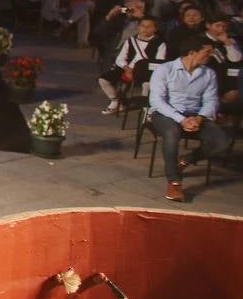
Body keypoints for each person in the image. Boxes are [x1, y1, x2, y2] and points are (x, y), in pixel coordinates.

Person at [149, 36, 229, 203]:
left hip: (195, 114)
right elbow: (157, 101)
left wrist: (199, 118)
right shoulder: (165, 69)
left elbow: (211, 100)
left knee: (222, 142)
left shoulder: (209, 74)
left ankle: (187, 159)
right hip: (167, 113)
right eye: (207, 52)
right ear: (192, 52)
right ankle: (174, 181)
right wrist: (181, 120)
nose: (211, 55)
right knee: (172, 133)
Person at [98, 16, 165, 114]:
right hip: (127, 68)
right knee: (103, 79)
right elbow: (120, 59)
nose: (145, 29)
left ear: (155, 28)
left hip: (146, 72)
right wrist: (126, 68)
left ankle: (147, 109)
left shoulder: (160, 44)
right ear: (138, 27)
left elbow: (159, 62)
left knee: (147, 85)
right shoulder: (130, 41)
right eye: (143, 26)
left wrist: (138, 71)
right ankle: (116, 101)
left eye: (149, 26)